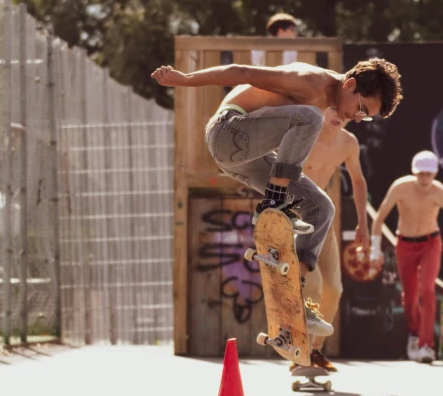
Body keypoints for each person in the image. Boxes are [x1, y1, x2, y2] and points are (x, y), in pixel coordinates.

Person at [151, 58, 403, 343]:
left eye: (366, 117)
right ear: (350, 84)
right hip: (227, 131)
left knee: (320, 207)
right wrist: (183, 80)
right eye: (361, 109)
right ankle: (274, 200)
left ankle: (295, 295)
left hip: (244, 158)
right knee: (310, 117)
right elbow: (241, 72)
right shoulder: (310, 79)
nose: (357, 118)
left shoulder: (331, 99)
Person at [290, 106, 370, 372]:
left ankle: (314, 351)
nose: (340, 117)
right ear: (323, 108)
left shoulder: (348, 143)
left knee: (334, 289)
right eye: (336, 109)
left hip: (320, 219)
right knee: (312, 285)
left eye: (348, 114)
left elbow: (358, 181)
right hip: (292, 216)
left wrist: (363, 223)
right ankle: (297, 349)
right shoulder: (303, 135)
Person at [370, 150, 443, 363]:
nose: (424, 179)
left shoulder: (439, 191)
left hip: (431, 243)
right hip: (405, 244)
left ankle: (427, 345)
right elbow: (379, 217)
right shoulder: (401, 187)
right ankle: (414, 334)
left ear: (435, 173)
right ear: (414, 172)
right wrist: (375, 249)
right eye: (420, 174)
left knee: (427, 290)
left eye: (429, 174)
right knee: (410, 297)